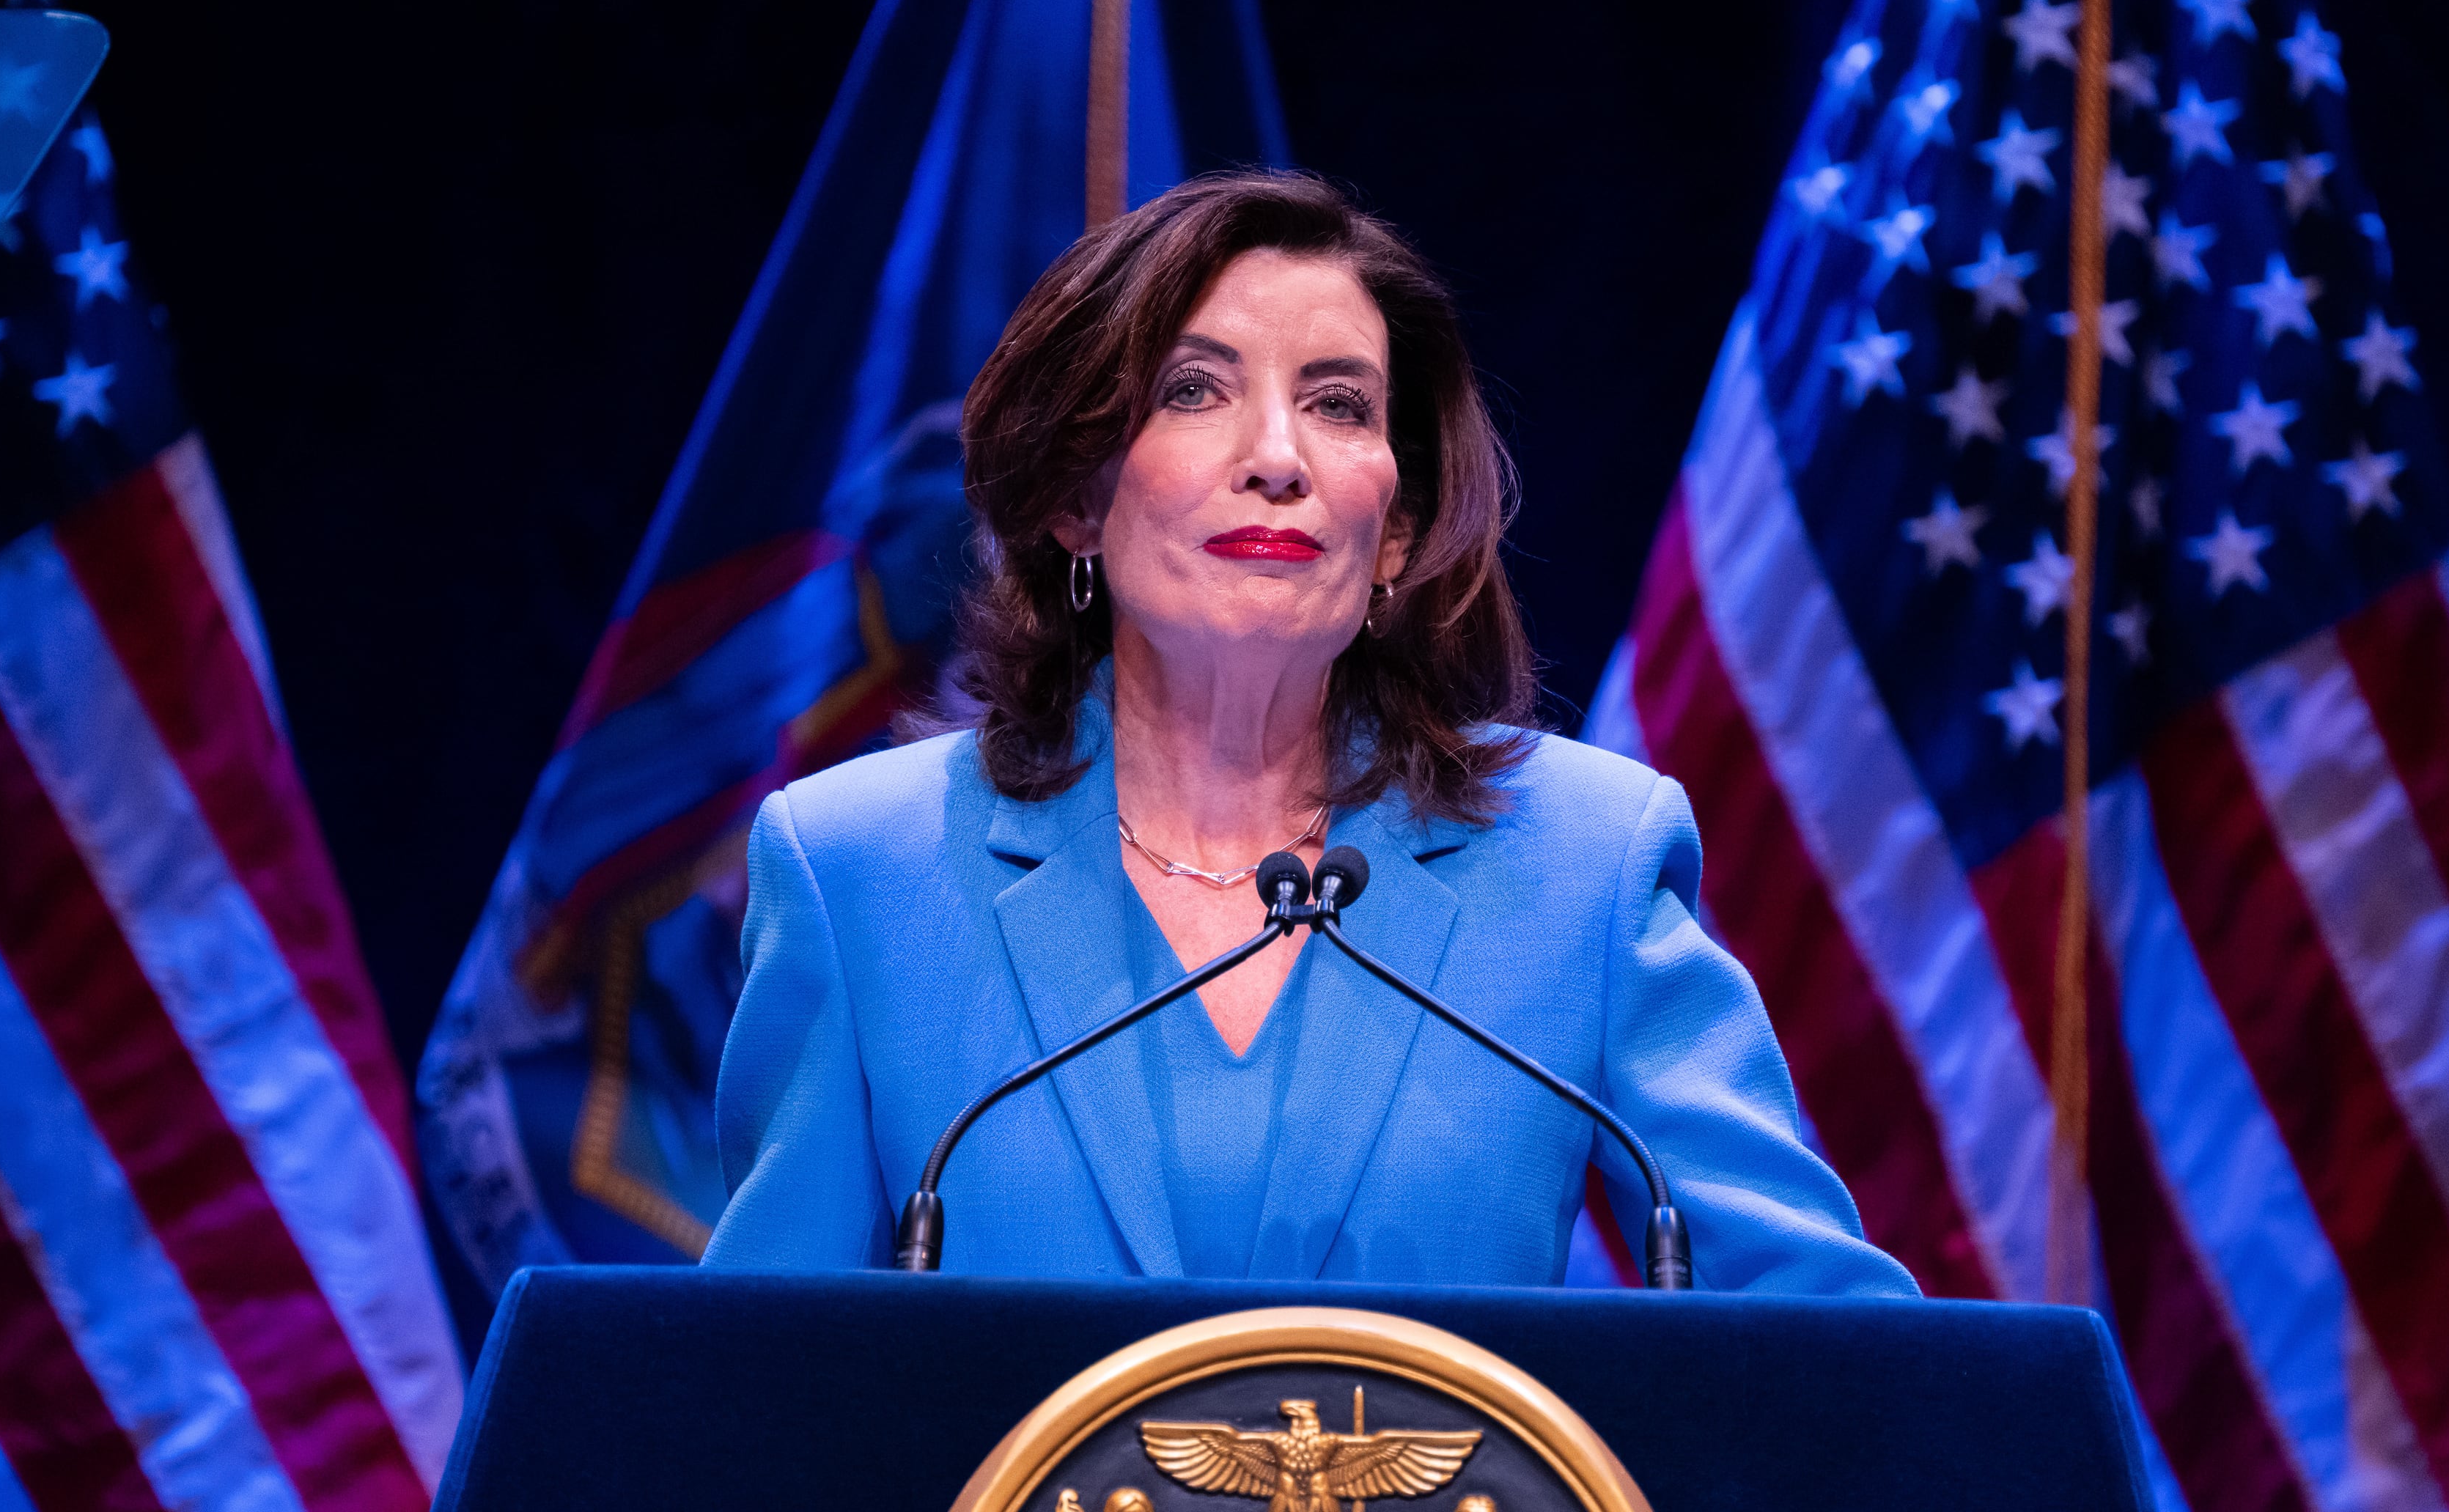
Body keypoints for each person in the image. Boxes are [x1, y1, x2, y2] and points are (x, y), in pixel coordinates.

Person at [702, 169, 1912, 1295]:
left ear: (1393, 531)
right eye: (1194, 390)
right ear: (1077, 498)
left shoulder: (1584, 862)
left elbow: (1823, 1345)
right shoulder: (859, 872)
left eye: (1339, 406)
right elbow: (758, 1397)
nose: (1277, 458)